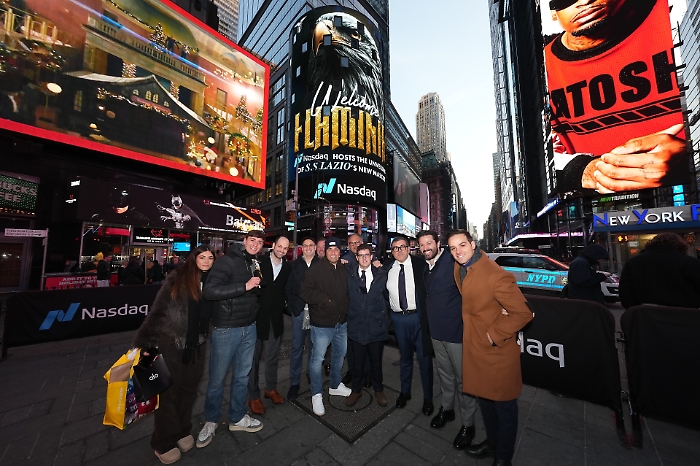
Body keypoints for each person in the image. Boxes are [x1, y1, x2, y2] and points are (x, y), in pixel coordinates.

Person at [545, 0, 687, 194]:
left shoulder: (676, 15)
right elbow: (537, 161)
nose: (585, 1)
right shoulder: (540, 72)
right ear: (553, 12)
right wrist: (586, 171)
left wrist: (691, 154)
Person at [447, 229, 533, 466]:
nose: (458, 252)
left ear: (473, 244)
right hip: (476, 350)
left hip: (497, 354)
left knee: (504, 407)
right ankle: (492, 443)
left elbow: (523, 313)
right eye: (453, 248)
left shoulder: (496, 275)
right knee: (485, 401)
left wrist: (493, 336)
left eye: (462, 245)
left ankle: (504, 458)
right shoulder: (460, 268)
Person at [132, 246, 215, 464]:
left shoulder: (213, 281)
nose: (206, 261)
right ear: (193, 259)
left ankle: (182, 429)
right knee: (169, 393)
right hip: (172, 342)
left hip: (197, 344)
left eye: (210, 258)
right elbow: (158, 311)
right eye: (202, 257)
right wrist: (145, 342)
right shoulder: (177, 278)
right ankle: (163, 442)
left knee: (189, 390)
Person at [197, 230, 265, 448]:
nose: (255, 244)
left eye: (259, 242)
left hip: (249, 327)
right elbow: (209, 291)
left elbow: (254, 293)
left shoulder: (253, 262)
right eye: (252, 240)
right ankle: (211, 420)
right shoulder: (227, 261)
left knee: (242, 377)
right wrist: (244, 287)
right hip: (226, 329)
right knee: (217, 380)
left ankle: (237, 417)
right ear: (244, 241)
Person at [417, 230, 477, 449]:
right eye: (422, 245)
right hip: (435, 332)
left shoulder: (453, 262)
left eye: (429, 243)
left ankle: (468, 424)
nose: (425, 248)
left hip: (456, 333)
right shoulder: (426, 266)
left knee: (464, 380)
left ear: (438, 243)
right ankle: (447, 409)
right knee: (445, 375)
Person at [300, 237, 352, 416]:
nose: (333, 252)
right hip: (322, 324)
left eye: (336, 249)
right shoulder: (316, 269)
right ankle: (316, 393)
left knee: (339, 355)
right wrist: (325, 301)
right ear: (325, 251)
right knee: (317, 360)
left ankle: (335, 385)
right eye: (330, 249)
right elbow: (305, 291)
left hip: (341, 323)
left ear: (340, 251)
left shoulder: (344, 269)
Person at [384, 235, 434, 415]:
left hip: (419, 318)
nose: (399, 250)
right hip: (399, 320)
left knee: (424, 359)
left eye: (402, 247)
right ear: (392, 251)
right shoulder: (387, 268)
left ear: (408, 248)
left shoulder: (421, 265)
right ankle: (405, 392)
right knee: (404, 358)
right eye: (395, 248)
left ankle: (428, 398)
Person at [248, 236, 291, 414]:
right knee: (253, 360)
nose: (281, 250)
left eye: (285, 248)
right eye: (279, 246)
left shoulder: (287, 267)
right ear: (273, 246)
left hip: (276, 319)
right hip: (257, 319)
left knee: (272, 357)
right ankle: (253, 395)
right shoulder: (257, 263)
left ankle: (270, 388)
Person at [345, 243, 389, 407]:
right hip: (356, 325)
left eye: (367, 255)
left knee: (376, 361)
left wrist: (383, 318)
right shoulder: (348, 274)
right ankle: (356, 389)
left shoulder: (381, 274)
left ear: (371, 256)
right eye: (361, 255)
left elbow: (388, 298)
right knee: (357, 362)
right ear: (356, 257)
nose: (364, 258)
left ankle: (379, 389)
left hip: (376, 326)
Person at [619, 232, 700, 309]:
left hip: (645, 314)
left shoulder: (633, 262)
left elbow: (625, 293)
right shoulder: (692, 263)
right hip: (686, 315)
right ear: (681, 245)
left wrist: (636, 310)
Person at [285, 237, 320, 401]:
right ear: (301, 248)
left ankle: (312, 375)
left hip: (316, 312)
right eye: (305, 245)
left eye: (311, 245)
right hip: (299, 312)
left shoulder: (321, 265)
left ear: (315, 247)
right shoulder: (293, 266)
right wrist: (292, 308)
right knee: (297, 348)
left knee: (314, 348)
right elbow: (288, 288)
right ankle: (294, 382)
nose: (308, 248)